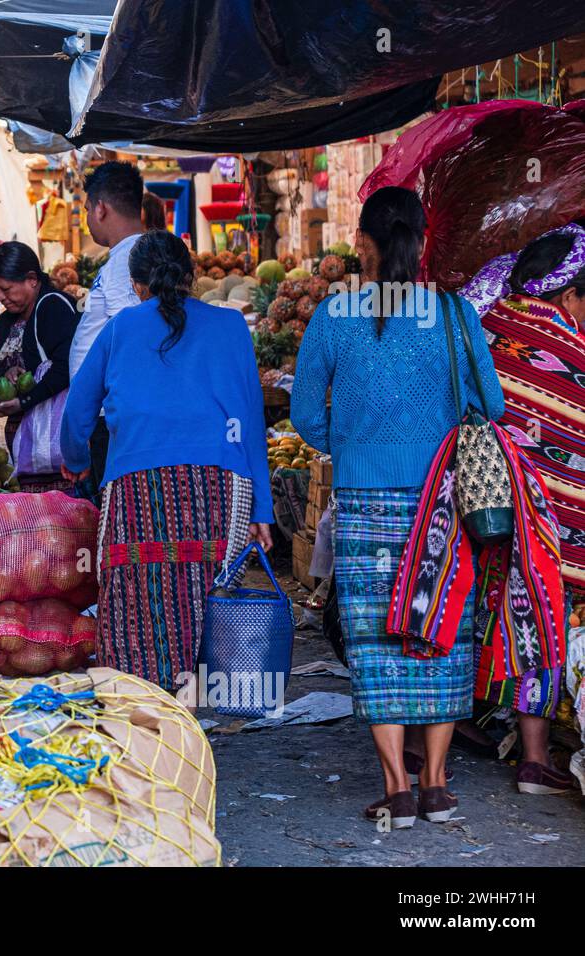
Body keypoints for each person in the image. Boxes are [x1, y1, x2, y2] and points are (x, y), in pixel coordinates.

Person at [291, 186, 504, 830]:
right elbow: (489, 406)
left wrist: (355, 448)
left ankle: (398, 789)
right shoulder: (454, 313)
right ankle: (438, 785)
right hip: (440, 503)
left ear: (365, 244)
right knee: (441, 632)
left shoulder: (335, 314)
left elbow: (304, 414)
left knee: (375, 638)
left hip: (362, 503)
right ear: (421, 239)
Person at [60, 230, 274, 699]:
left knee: (136, 596)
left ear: (137, 285)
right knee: (206, 594)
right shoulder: (232, 326)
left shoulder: (119, 328)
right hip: (221, 485)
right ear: (190, 276)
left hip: (136, 483)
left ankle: (145, 700)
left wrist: (75, 461)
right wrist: (262, 508)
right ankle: (202, 696)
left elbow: (77, 411)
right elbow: (250, 417)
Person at [457, 223, 585, 796]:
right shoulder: (568, 346)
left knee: (479, 611)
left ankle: (459, 718)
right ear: (567, 296)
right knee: (544, 613)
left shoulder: (484, 325)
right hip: (547, 519)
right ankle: (535, 757)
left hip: (479, 509)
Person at [70, 161, 146, 491]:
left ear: (100, 208)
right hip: (110, 413)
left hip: (112, 418)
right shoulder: (135, 255)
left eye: (87, 209)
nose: (87, 218)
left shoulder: (124, 264)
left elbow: (129, 336)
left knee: (112, 513)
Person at [0, 242, 79, 492]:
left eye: (6, 288)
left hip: (55, 437)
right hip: (27, 443)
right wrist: (6, 374)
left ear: (32, 280)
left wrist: (24, 402)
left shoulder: (53, 307)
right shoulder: (6, 320)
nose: (0, 297)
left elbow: (66, 368)